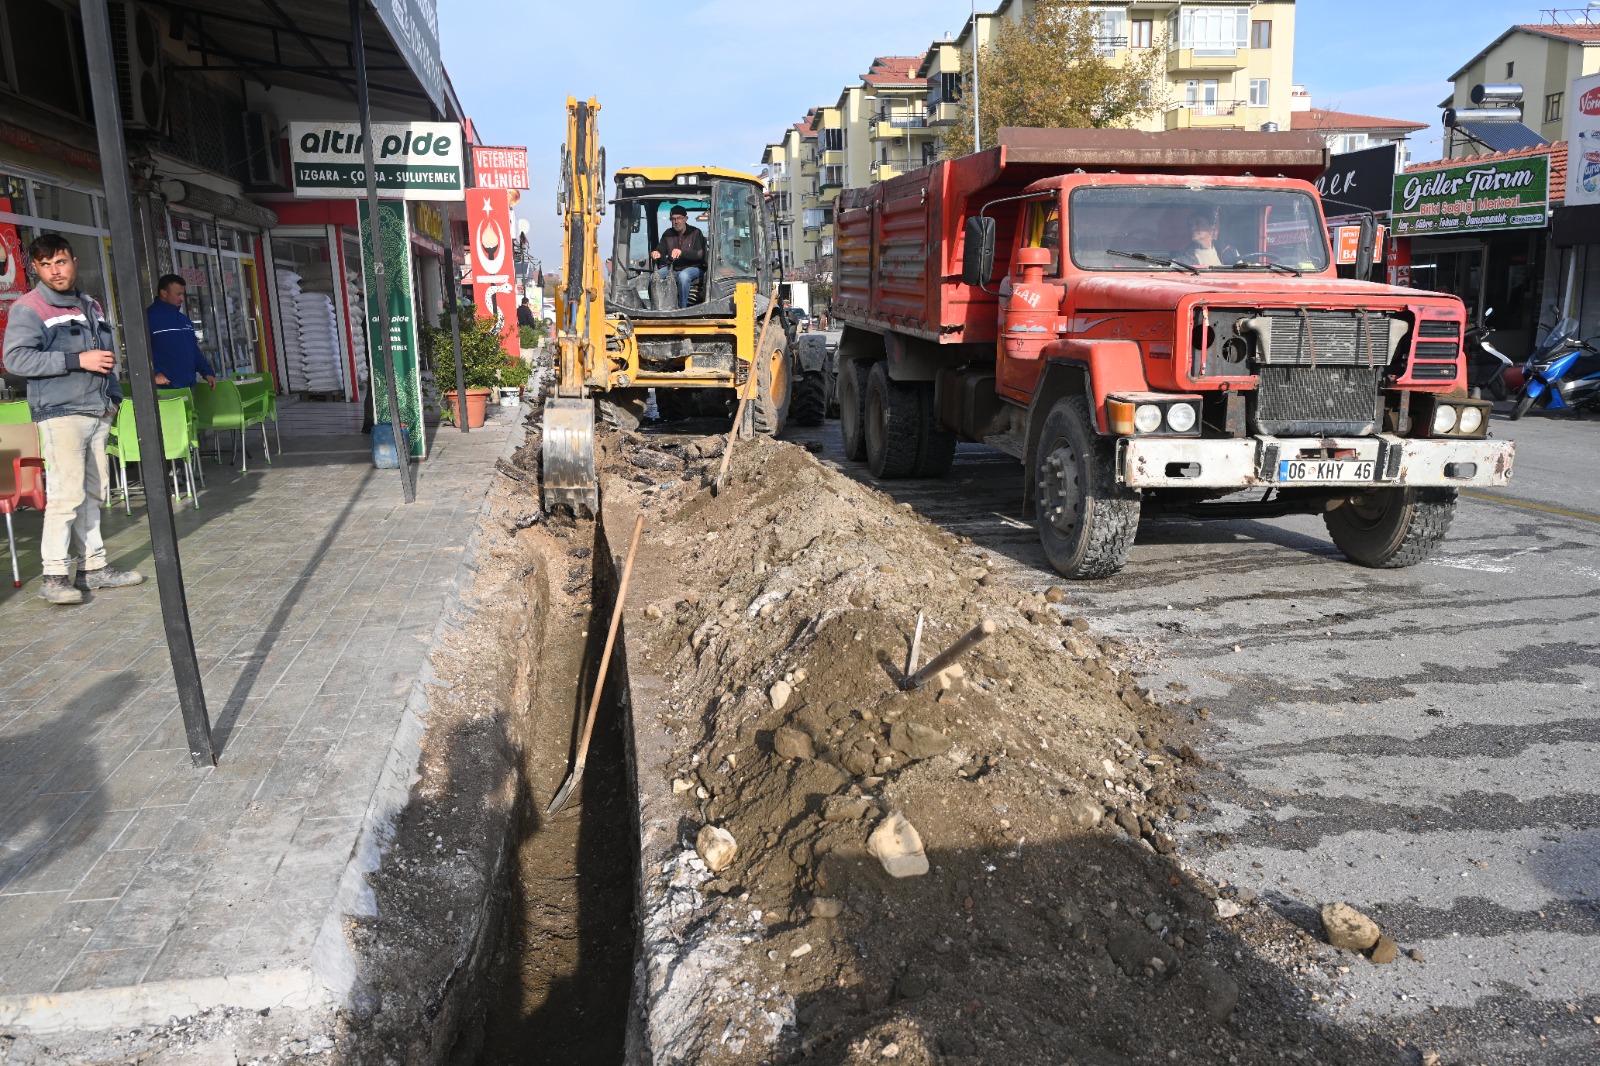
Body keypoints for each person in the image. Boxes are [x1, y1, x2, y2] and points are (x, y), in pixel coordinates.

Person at [1, 233, 143, 604]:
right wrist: (75, 360)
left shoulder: (88, 304)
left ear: (74, 261)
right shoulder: (30, 308)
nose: (54, 271)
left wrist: (113, 397)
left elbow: (107, 356)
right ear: (34, 268)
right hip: (61, 414)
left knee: (93, 494)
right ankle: (54, 576)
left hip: (96, 411)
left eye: (60, 262)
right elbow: (15, 360)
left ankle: (94, 569)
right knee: (66, 495)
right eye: (45, 265)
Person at [146, 275, 216, 389]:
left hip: (188, 386)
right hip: (165, 389)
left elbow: (193, 349)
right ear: (164, 293)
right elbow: (140, 352)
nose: (182, 298)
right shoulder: (149, 318)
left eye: (183, 294)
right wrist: (154, 373)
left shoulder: (184, 320)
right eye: (178, 294)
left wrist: (206, 372)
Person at [650, 205, 706, 308]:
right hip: (673, 268)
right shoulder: (667, 234)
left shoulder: (696, 232)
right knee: (653, 277)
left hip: (694, 268)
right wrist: (656, 253)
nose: (676, 221)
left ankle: (682, 309)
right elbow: (660, 249)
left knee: (683, 276)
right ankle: (656, 307)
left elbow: (700, 254)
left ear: (686, 218)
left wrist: (682, 253)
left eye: (679, 218)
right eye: (673, 219)